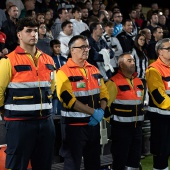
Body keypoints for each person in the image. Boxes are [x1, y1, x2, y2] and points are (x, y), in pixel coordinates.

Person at [0, 17, 56, 170]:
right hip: (19, 124)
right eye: (29, 31)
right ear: (19, 34)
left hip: (46, 122)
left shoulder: (49, 59)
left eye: (36, 31)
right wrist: (6, 112)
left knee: (44, 165)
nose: (33, 34)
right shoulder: (8, 60)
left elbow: (52, 88)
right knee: (17, 165)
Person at [56, 35, 109, 170]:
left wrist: (101, 111)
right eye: (82, 47)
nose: (86, 50)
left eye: (87, 47)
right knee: (72, 165)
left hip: (93, 125)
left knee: (94, 164)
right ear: (72, 50)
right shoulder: (63, 72)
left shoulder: (94, 69)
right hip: (73, 127)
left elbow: (104, 93)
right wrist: (95, 112)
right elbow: (68, 100)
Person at [105, 52, 144, 170]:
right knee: (120, 160)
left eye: (133, 61)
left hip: (137, 129)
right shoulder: (113, 82)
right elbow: (105, 105)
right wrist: (111, 122)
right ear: (121, 65)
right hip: (121, 130)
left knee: (134, 161)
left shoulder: (139, 81)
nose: (133, 63)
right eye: (129, 61)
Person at [146, 38, 170, 170]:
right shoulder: (153, 70)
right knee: (162, 154)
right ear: (160, 52)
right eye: (168, 49)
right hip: (161, 120)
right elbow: (159, 97)